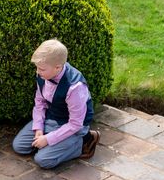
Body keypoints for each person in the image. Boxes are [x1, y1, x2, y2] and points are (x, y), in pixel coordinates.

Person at [12, 39, 100, 169]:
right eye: (37, 67)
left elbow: (75, 124)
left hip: (72, 128)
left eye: (41, 69)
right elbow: (40, 102)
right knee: (19, 147)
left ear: (57, 67)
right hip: (51, 119)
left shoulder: (75, 87)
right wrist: (38, 129)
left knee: (43, 160)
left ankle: (83, 142)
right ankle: (54, 145)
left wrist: (48, 139)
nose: (37, 72)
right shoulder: (43, 74)